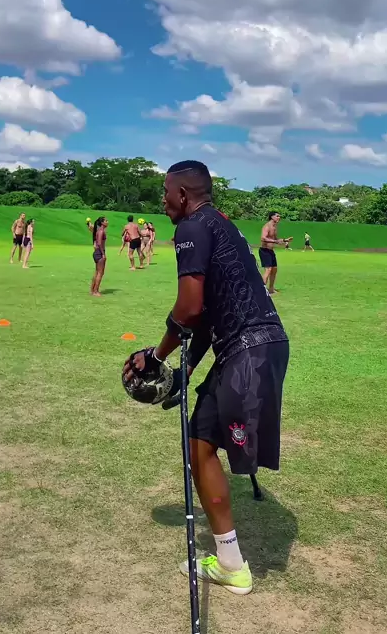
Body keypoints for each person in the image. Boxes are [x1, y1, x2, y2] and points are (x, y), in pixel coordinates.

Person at [123, 160, 289, 596]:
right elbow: (207, 314)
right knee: (199, 442)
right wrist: (185, 369)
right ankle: (229, 562)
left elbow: (189, 308)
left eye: (166, 192)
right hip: (260, 345)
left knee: (202, 447)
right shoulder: (222, 224)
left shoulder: (191, 227)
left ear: (182, 194)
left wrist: (154, 357)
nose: (163, 200)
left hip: (246, 350)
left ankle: (232, 565)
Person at [259, 212, 292, 294]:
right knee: (268, 270)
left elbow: (276, 239)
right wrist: (275, 241)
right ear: (272, 217)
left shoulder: (274, 227)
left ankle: (271, 289)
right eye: (277, 216)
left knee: (274, 269)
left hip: (270, 251)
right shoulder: (267, 226)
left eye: (279, 216)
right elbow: (263, 238)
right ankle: (262, 290)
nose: (279, 217)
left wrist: (285, 240)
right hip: (264, 250)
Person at [91, 216, 108, 296]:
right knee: (100, 273)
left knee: (97, 272)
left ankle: (92, 290)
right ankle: (96, 291)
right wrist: (103, 254)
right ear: (102, 223)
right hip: (99, 253)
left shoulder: (99, 231)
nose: (107, 222)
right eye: (106, 221)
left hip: (97, 252)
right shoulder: (101, 231)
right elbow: (99, 243)